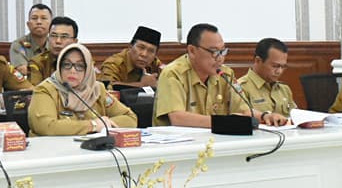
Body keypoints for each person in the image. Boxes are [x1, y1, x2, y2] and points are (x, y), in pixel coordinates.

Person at [153, 23, 286, 127]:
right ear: (192, 51)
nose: (220, 58)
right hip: (178, 146)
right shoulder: (173, 74)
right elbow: (177, 118)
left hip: (214, 142)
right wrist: (224, 122)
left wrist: (264, 116)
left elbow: (244, 111)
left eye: (223, 51)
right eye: (214, 52)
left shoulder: (225, 74)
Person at [29, 43, 137, 135]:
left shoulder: (97, 90)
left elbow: (130, 118)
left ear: (88, 70)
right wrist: (93, 125)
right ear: (59, 67)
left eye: (80, 66)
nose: (72, 70)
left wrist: (105, 123)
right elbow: (47, 127)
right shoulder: (45, 90)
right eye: (66, 64)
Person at [238, 38, 297, 118]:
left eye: (283, 66)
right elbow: (241, 119)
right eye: (275, 66)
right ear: (258, 61)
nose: (279, 71)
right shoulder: (240, 88)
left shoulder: (284, 89)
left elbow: (295, 117)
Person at [99, 26, 164, 89]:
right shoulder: (114, 63)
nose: (144, 54)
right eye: (141, 48)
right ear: (130, 47)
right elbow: (107, 87)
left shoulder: (154, 63)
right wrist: (142, 85)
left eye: (151, 51)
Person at [27, 16, 79, 86]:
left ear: (75, 41)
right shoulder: (38, 63)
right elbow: (36, 90)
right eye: (53, 35)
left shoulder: (83, 62)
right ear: (48, 38)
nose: (58, 41)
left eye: (64, 36)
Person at [9, 3, 53, 73]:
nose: (39, 22)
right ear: (28, 24)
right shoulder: (18, 45)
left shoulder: (55, 45)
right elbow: (23, 71)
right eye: (34, 18)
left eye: (44, 18)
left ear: (51, 25)